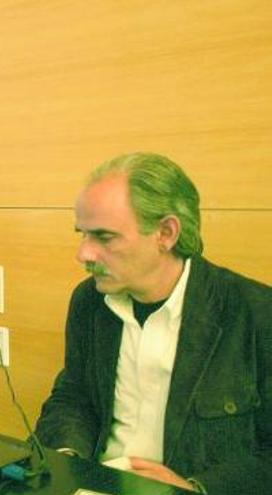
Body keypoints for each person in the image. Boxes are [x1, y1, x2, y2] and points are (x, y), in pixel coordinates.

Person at [35, 152, 270, 494]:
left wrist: (196, 487)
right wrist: (68, 462)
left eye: (103, 237)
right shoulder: (89, 302)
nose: (83, 254)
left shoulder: (255, 314)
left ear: (166, 232)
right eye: (82, 235)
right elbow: (74, 396)